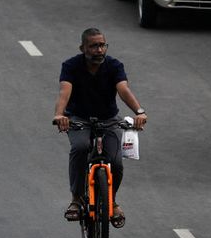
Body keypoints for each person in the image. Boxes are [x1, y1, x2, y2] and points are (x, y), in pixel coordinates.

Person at [53, 28, 147, 225]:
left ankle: (111, 202)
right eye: (94, 46)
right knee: (80, 148)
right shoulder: (71, 66)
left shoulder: (114, 65)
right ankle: (76, 200)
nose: (99, 50)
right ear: (83, 48)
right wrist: (60, 114)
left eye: (102, 45)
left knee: (117, 162)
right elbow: (65, 91)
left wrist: (139, 111)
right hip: (79, 119)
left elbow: (123, 89)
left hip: (109, 120)